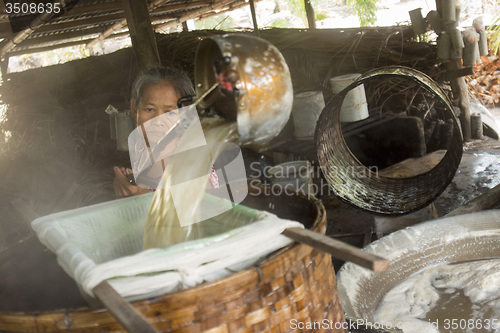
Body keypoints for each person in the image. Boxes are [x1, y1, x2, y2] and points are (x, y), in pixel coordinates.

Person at [113, 66, 195, 198]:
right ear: (134, 108)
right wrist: (132, 180)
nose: (158, 121)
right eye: (150, 109)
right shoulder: (142, 148)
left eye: (169, 113)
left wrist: (143, 196)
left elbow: (205, 204)